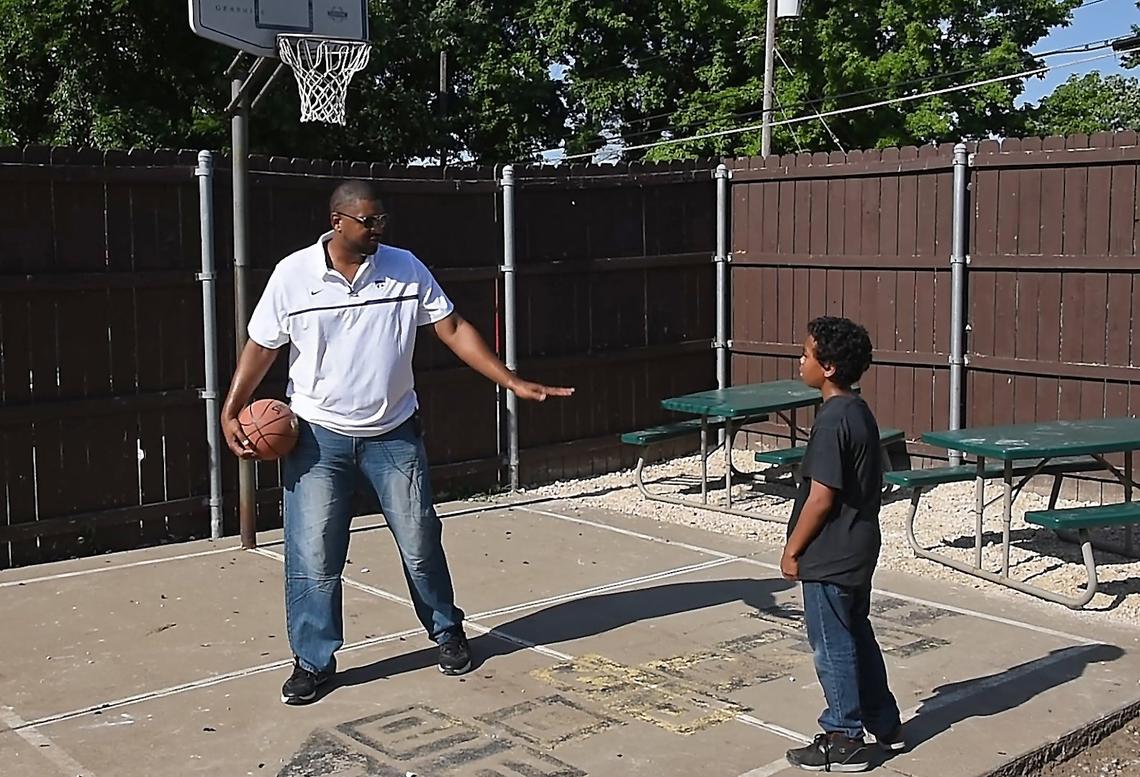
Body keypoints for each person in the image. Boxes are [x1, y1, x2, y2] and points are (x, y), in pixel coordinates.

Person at [220, 180, 574, 705]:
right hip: (317, 437)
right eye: (368, 221)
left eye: (382, 219)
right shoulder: (293, 275)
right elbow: (262, 346)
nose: (378, 229)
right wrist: (231, 407)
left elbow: (451, 327)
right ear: (338, 221)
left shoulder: (405, 267)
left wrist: (511, 380)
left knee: (420, 541)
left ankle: (447, 631)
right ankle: (313, 662)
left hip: (394, 433)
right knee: (313, 554)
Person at [780, 316, 904, 772]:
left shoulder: (832, 422)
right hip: (858, 545)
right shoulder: (858, 410)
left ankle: (843, 735)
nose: (801, 361)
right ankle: (884, 722)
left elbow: (821, 496)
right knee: (856, 635)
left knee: (831, 644)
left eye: (807, 354)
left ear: (828, 366)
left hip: (831, 555)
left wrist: (793, 550)